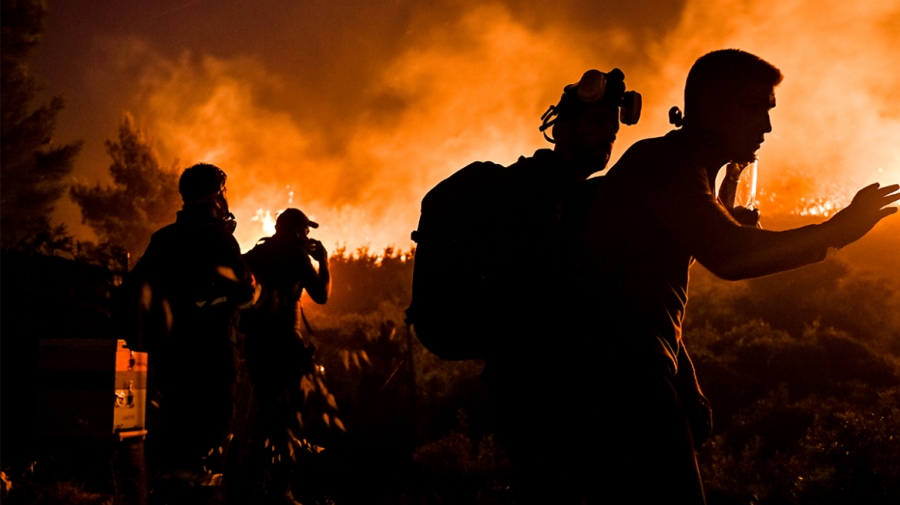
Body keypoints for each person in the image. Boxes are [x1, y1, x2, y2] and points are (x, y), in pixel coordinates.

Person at [572, 49, 900, 503]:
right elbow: (728, 257)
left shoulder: (672, 167)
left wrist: (683, 380)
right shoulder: (663, 164)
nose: (766, 127)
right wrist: (838, 230)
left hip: (627, 382)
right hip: (620, 390)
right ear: (711, 107)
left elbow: (644, 296)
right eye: (755, 108)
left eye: (769, 112)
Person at [479, 68, 641, 504]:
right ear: (563, 129)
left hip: (546, 380)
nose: (608, 136)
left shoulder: (567, 191)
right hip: (538, 383)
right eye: (597, 124)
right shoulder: (537, 190)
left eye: (612, 127)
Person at [118, 163, 256, 499]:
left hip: (172, 359)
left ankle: (170, 491)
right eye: (223, 192)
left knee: (177, 440)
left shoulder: (163, 239)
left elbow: (132, 292)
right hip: (212, 358)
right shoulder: (217, 238)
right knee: (210, 437)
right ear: (216, 196)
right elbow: (245, 292)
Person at [240, 208, 331, 505]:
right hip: (286, 344)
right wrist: (323, 261)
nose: (308, 236)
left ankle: (250, 482)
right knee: (290, 416)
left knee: (264, 410)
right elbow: (321, 295)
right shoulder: (296, 256)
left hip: (256, 343)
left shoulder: (257, 252)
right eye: (305, 231)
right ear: (296, 230)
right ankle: (281, 488)